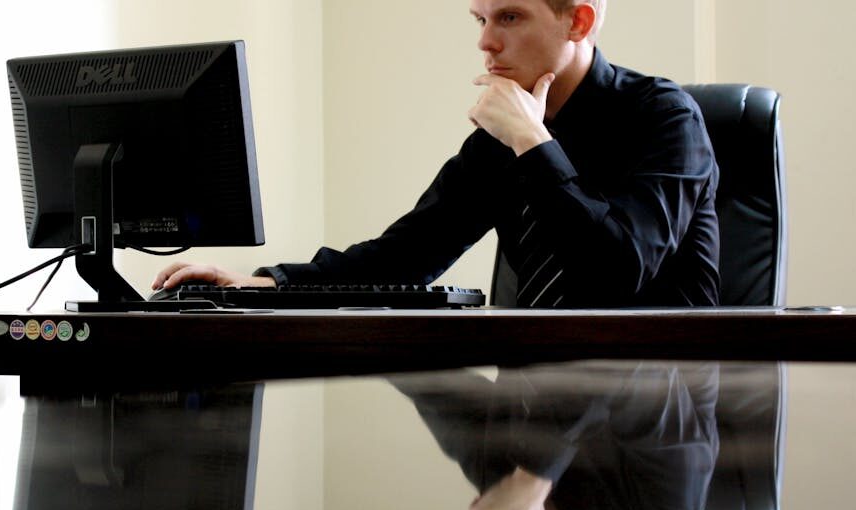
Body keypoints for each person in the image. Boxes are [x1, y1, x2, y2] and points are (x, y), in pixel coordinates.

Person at [153, 0, 719, 308]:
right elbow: (402, 258)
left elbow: (618, 272)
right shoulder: (497, 140)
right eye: (480, 19)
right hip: (535, 408)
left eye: (510, 17)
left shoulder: (664, 118)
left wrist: (532, 143)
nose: (484, 41)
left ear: (579, 19)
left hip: (656, 418)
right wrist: (263, 285)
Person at [389, 361, 720, 510]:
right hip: (655, 278)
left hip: (543, 283)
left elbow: (422, 374)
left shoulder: (499, 481)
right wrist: (534, 477)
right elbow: (620, 361)